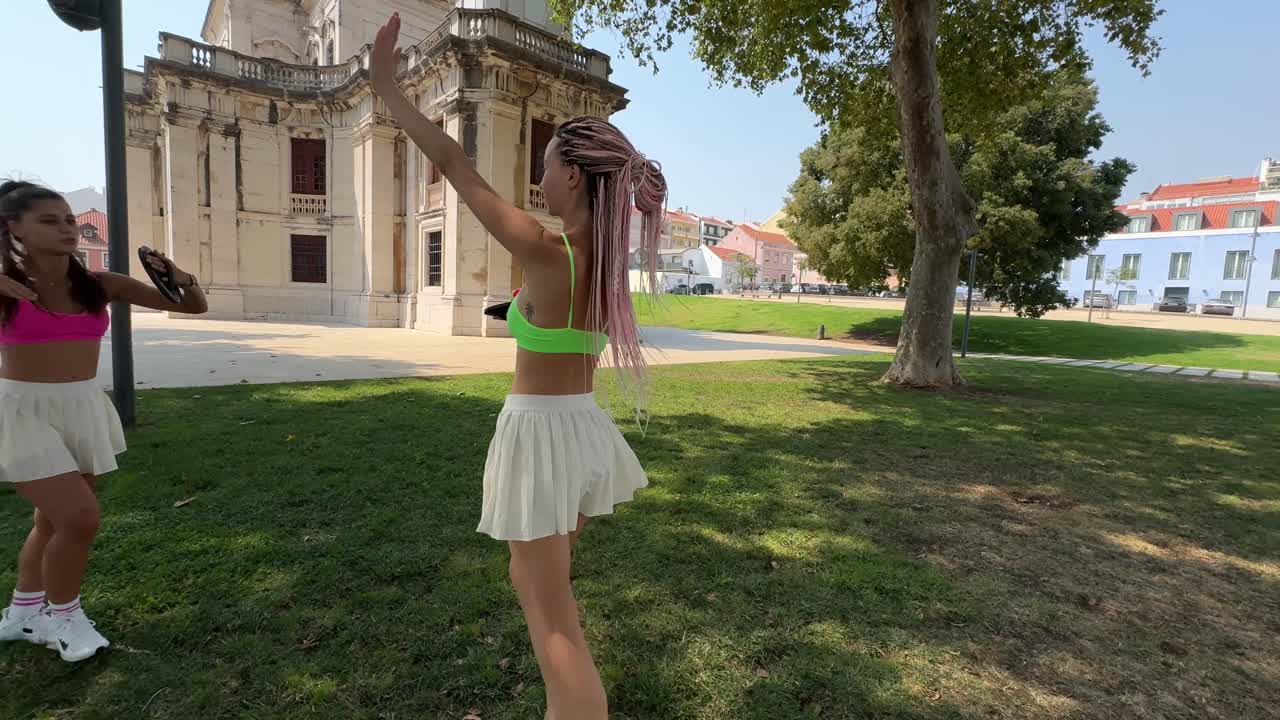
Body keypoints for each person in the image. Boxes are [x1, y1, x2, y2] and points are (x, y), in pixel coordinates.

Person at [370, 14, 665, 720]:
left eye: (545, 164)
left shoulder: (544, 247)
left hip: (540, 439)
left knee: (552, 615)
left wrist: (390, 88)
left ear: (569, 175)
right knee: (536, 583)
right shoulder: (604, 270)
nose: (539, 176)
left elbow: (454, 163)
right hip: (582, 433)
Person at [0, 180, 207, 662]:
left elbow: (192, 306)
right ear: (15, 229)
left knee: (52, 520)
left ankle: (23, 613)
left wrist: (179, 275)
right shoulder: (8, 287)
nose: (68, 228)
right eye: (49, 221)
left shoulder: (99, 284)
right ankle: (63, 618)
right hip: (20, 411)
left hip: (80, 405)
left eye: (70, 219)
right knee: (79, 517)